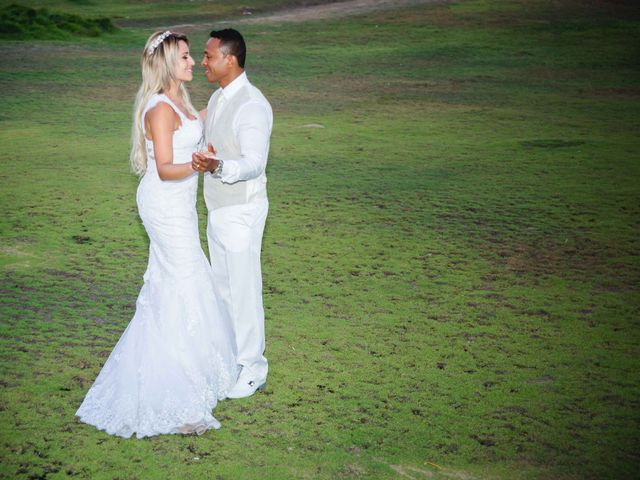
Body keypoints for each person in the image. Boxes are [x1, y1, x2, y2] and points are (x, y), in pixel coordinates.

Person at [76, 31, 238, 438]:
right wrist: (200, 165)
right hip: (164, 205)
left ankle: (190, 374)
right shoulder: (160, 108)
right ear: (168, 63)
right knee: (183, 282)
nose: (192, 62)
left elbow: (196, 133)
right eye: (185, 57)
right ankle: (174, 395)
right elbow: (165, 168)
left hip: (181, 206)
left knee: (182, 282)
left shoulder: (180, 101)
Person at [192, 29, 273, 399]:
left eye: (209, 56)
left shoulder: (253, 105)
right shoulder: (219, 96)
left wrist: (217, 165)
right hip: (218, 208)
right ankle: (231, 359)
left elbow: (254, 163)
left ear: (231, 59)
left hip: (242, 209)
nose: (203, 62)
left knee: (243, 289)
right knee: (223, 288)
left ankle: (254, 368)